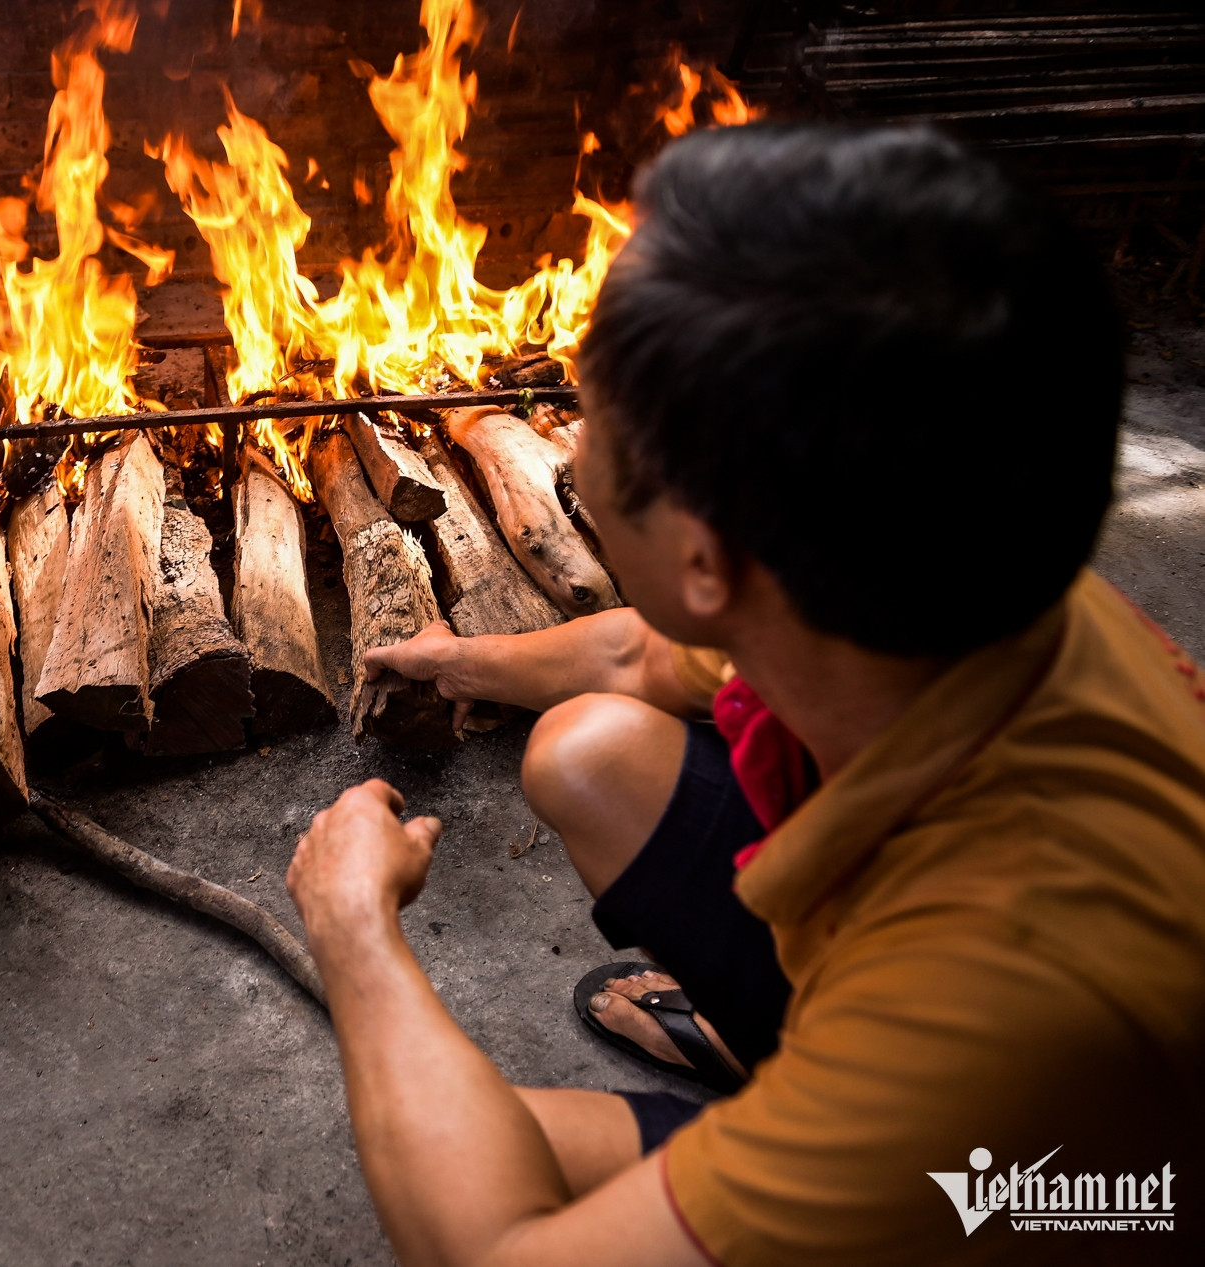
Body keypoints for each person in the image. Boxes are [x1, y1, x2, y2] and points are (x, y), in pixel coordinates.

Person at [285, 122, 1205, 1265]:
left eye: (588, 446)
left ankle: (822, 1138)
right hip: (945, 1062)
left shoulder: (1000, 1004)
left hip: (1043, 1188)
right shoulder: (924, 577)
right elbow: (640, 655)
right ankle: (776, 1050)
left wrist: (354, 929)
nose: (568, 468)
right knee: (585, 749)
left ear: (709, 562)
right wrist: (459, 658)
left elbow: (493, 1255)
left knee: (480, 1169)